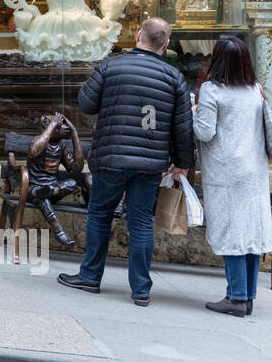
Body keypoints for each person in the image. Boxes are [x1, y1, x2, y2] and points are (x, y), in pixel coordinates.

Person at [57, 16, 195, 306]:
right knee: (141, 222)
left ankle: (91, 277)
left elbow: (86, 104)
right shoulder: (174, 79)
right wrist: (183, 162)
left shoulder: (110, 66)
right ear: (166, 45)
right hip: (150, 164)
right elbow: (183, 128)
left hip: (111, 157)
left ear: (137, 36)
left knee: (99, 214)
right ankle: (141, 289)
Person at [192, 35, 272, 317]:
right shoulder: (254, 88)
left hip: (226, 171)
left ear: (217, 60)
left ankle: (236, 298)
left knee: (232, 233)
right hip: (254, 171)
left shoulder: (212, 90)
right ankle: (248, 296)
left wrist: (191, 113)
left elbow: (204, 132)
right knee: (250, 233)